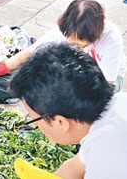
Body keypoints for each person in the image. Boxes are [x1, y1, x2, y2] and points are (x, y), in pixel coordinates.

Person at [10, 43, 127, 179]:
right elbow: (74, 167)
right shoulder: (118, 103)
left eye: (34, 119)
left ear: (60, 122)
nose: (37, 127)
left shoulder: (107, 159)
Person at [0, 0, 126, 92]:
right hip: (80, 68)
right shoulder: (65, 29)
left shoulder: (110, 38)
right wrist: (1, 67)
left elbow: (106, 85)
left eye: (82, 41)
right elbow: (31, 51)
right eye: (72, 40)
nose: (77, 44)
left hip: (108, 79)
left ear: (96, 33)